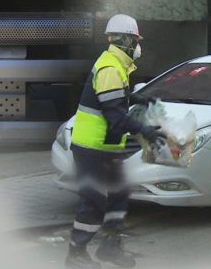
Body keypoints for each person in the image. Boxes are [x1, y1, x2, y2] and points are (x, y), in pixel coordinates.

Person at [65, 14, 166, 269]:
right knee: (95, 202)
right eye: (134, 40)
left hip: (106, 148)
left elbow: (114, 99)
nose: (137, 45)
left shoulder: (116, 65)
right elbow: (115, 118)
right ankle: (75, 254)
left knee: (119, 194)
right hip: (92, 148)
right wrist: (145, 130)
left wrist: (138, 99)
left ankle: (110, 247)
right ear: (125, 40)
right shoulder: (111, 68)